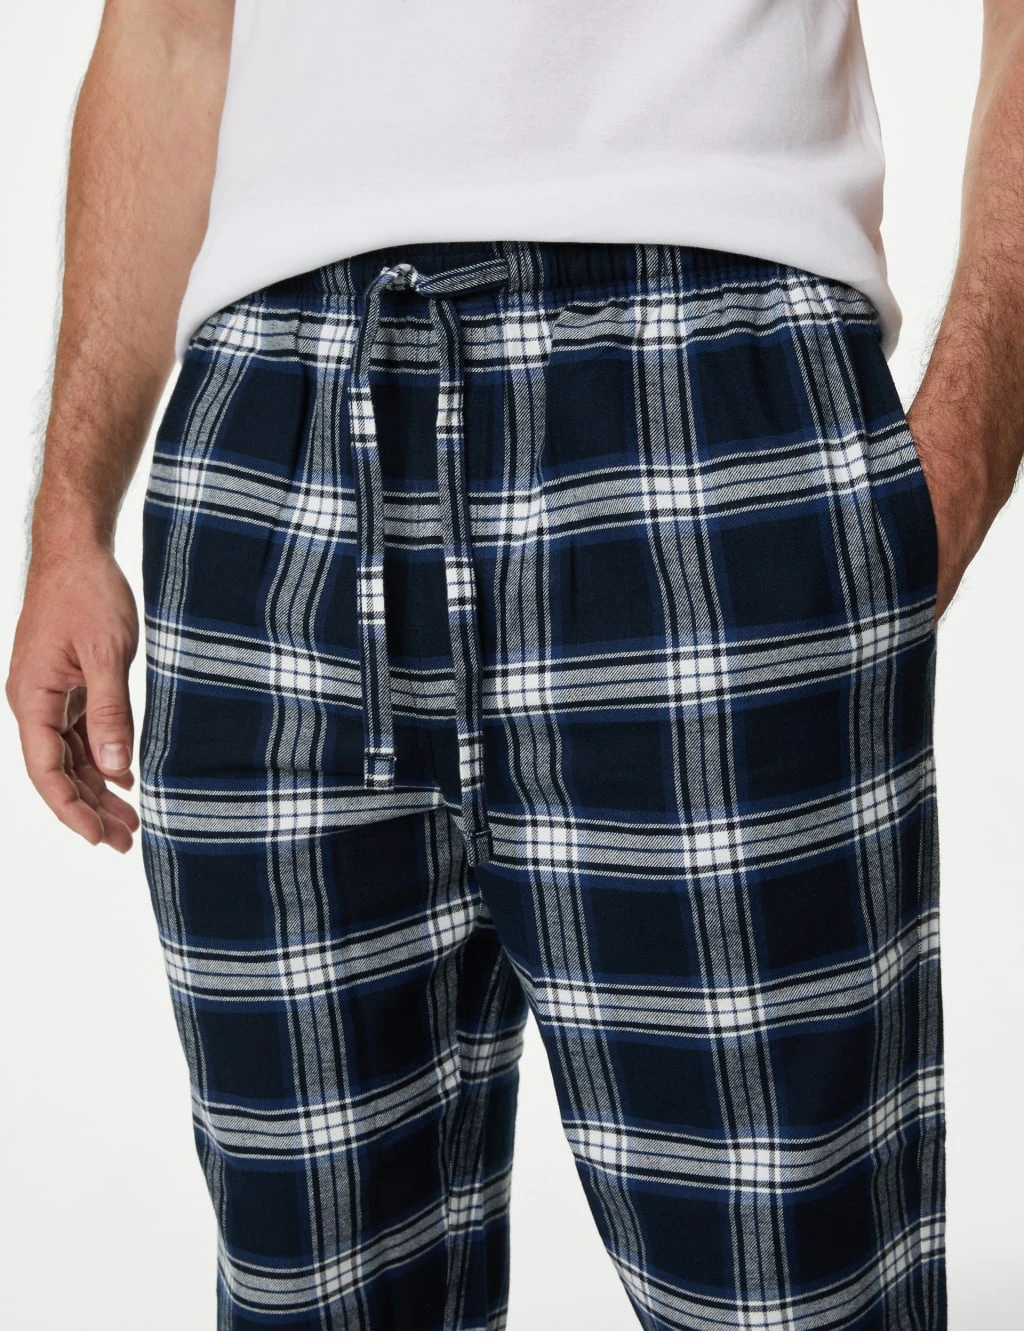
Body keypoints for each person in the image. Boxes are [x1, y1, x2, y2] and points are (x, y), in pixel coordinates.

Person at [7, 1, 1022, 1327]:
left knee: (793, 1291)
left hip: (701, 401)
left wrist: (956, 456)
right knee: (307, 1290)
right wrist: (69, 517)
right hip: (272, 436)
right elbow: (168, 36)